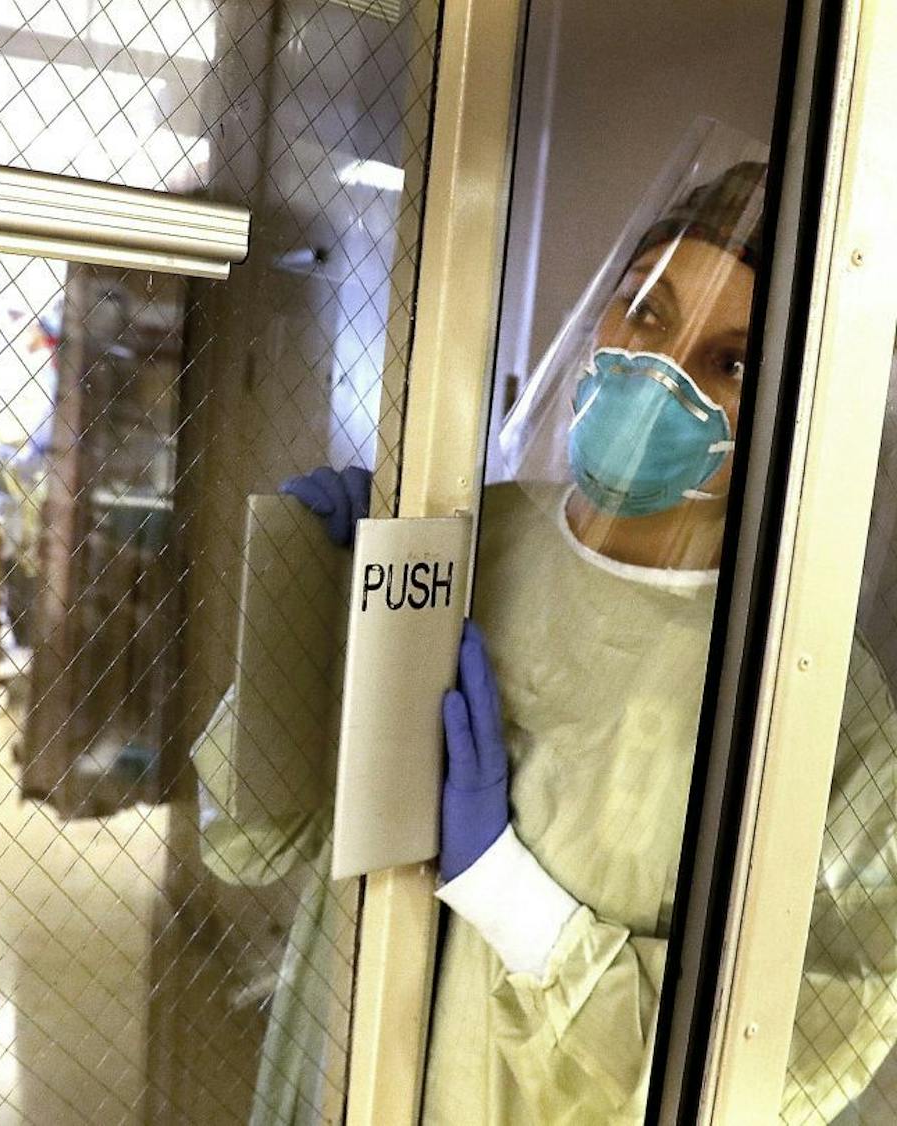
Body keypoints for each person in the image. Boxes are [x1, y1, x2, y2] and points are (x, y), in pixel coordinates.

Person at [251, 133, 897, 1121]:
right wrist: (303, 595)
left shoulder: (812, 699)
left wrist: (507, 891)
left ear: (795, 412)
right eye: (644, 310)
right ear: (597, 317)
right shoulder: (465, 541)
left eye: (730, 362)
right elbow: (256, 834)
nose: (656, 376)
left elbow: (806, 1055)